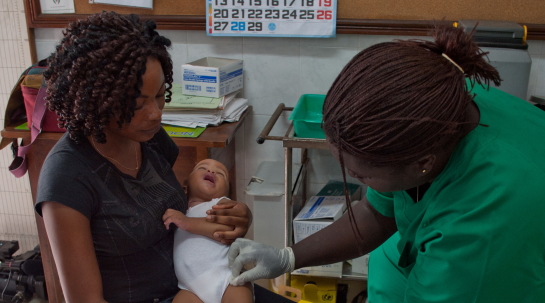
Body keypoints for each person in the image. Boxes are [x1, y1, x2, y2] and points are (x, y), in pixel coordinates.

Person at [228, 26, 545, 302]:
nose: (355, 180)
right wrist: (289, 257)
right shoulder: (430, 113)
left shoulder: (479, 228)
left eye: (360, 174)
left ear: (422, 163)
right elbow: (376, 212)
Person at [35, 12, 251, 303]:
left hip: (190, 290)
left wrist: (231, 219)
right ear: (98, 99)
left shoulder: (147, 137)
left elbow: (172, 213)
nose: (155, 114)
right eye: (137, 104)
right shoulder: (66, 179)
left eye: (161, 95)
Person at [162, 159, 253, 303]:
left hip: (227, 279)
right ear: (185, 186)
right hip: (190, 289)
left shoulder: (218, 204)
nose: (211, 171)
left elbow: (228, 227)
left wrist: (187, 223)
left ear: (227, 191)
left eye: (221, 174)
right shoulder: (180, 212)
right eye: (202, 168)